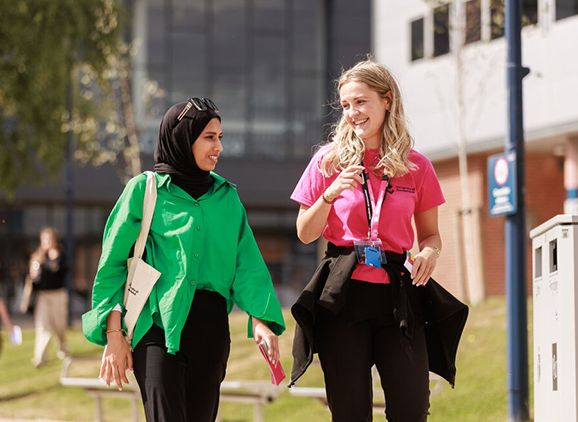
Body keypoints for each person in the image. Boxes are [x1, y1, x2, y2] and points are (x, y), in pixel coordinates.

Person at [82, 97, 286, 422]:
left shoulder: (227, 198)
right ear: (182, 138)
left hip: (211, 330)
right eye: (209, 137)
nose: (218, 146)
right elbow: (112, 264)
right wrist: (113, 334)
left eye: (220, 137)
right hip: (156, 325)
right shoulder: (144, 190)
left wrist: (260, 321)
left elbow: (246, 265)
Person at [289, 59, 468, 421]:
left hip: (398, 297)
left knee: (411, 409)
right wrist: (329, 194)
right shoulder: (328, 161)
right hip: (342, 298)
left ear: (387, 100)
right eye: (345, 105)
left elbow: (431, 234)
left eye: (361, 102)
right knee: (351, 411)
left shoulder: (416, 166)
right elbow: (305, 233)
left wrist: (430, 252)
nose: (352, 113)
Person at [29, 227, 69, 367]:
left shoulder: (60, 255)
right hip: (43, 296)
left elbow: (58, 271)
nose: (47, 242)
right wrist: (36, 267)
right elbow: (34, 278)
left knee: (59, 326)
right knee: (43, 326)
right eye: (44, 239)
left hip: (58, 294)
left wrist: (46, 262)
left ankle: (62, 348)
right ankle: (39, 357)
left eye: (49, 239)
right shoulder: (38, 256)